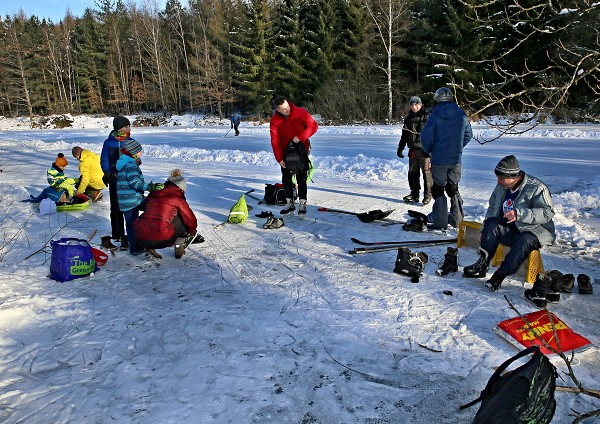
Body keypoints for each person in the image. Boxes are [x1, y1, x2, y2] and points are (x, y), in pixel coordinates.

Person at [462, 155, 556, 294]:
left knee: (524, 241)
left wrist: (520, 214)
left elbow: (547, 213)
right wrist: (485, 229)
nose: (498, 182)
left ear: (513, 176)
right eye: (497, 178)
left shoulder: (536, 188)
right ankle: (482, 264)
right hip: (510, 229)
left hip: (534, 231)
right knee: (492, 223)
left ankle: (499, 276)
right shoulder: (501, 187)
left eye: (501, 178)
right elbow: (492, 208)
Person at [420, 87, 472, 230]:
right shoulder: (461, 114)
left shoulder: (434, 115)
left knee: (438, 189)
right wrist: (458, 148)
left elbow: (425, 137)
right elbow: (469, 134)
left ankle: (440, 222)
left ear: (437, 99)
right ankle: (458, 221)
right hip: (456, 160)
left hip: (439, 160)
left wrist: (430, 150)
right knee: (453, 188)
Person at [134, 169, 199, 259]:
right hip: (162, 239)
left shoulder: (154, 192)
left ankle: (149, 247)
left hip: (140, 237)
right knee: (182, 219)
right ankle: (178, 247)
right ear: (180, 188)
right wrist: (192, 231)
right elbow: (190, 219)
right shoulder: (177, 197)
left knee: (150, 216)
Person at [269, 96, 318, 215]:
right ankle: (289, 203)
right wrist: (279, 158)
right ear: (278, 110)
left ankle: (302, 203)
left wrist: (301, 137)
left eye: (287, 107)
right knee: (286, 178)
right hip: (286, 152)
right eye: (284, 109)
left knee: (301, 177)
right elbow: (274, 140)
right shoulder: (275, 120)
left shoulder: (300, 112)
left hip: (301, 150)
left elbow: (314, 126)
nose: (287, 110)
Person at [100, 115, 131, 250]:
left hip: (128, 179)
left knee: (129, 206)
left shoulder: (131, 141)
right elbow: (104, 159)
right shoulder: (109, 143)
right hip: (114, 178)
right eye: (126, 126)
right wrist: (107, 172)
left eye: (129, 126)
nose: (128, 128)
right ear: (118, 128)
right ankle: (117, 233)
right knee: (116, 206)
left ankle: (130, 234)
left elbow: (137, 159)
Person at [115, 139, 150, 256]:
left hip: (127, 199)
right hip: (131, 200)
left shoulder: (124, 163)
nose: (141, 153)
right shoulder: (130, 165)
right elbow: (136, 183)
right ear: (133, 153)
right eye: (139, 151)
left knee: (131, 223)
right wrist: (150, 187)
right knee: (132, 224)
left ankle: (137, 245)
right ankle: (136, 248)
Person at [397, 95, 432, 205]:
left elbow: (433, 135)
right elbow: (404, 135)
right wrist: (400, 148)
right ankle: (414, 194)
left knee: (426, 173)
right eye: (412, 105)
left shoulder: (427, 117)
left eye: (416, 104)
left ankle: (428, 195)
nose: (413, 107)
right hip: (412, 150)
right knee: (412, 173)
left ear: (420, 105)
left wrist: (430, 149)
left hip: (424, 150)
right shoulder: (408, 119)